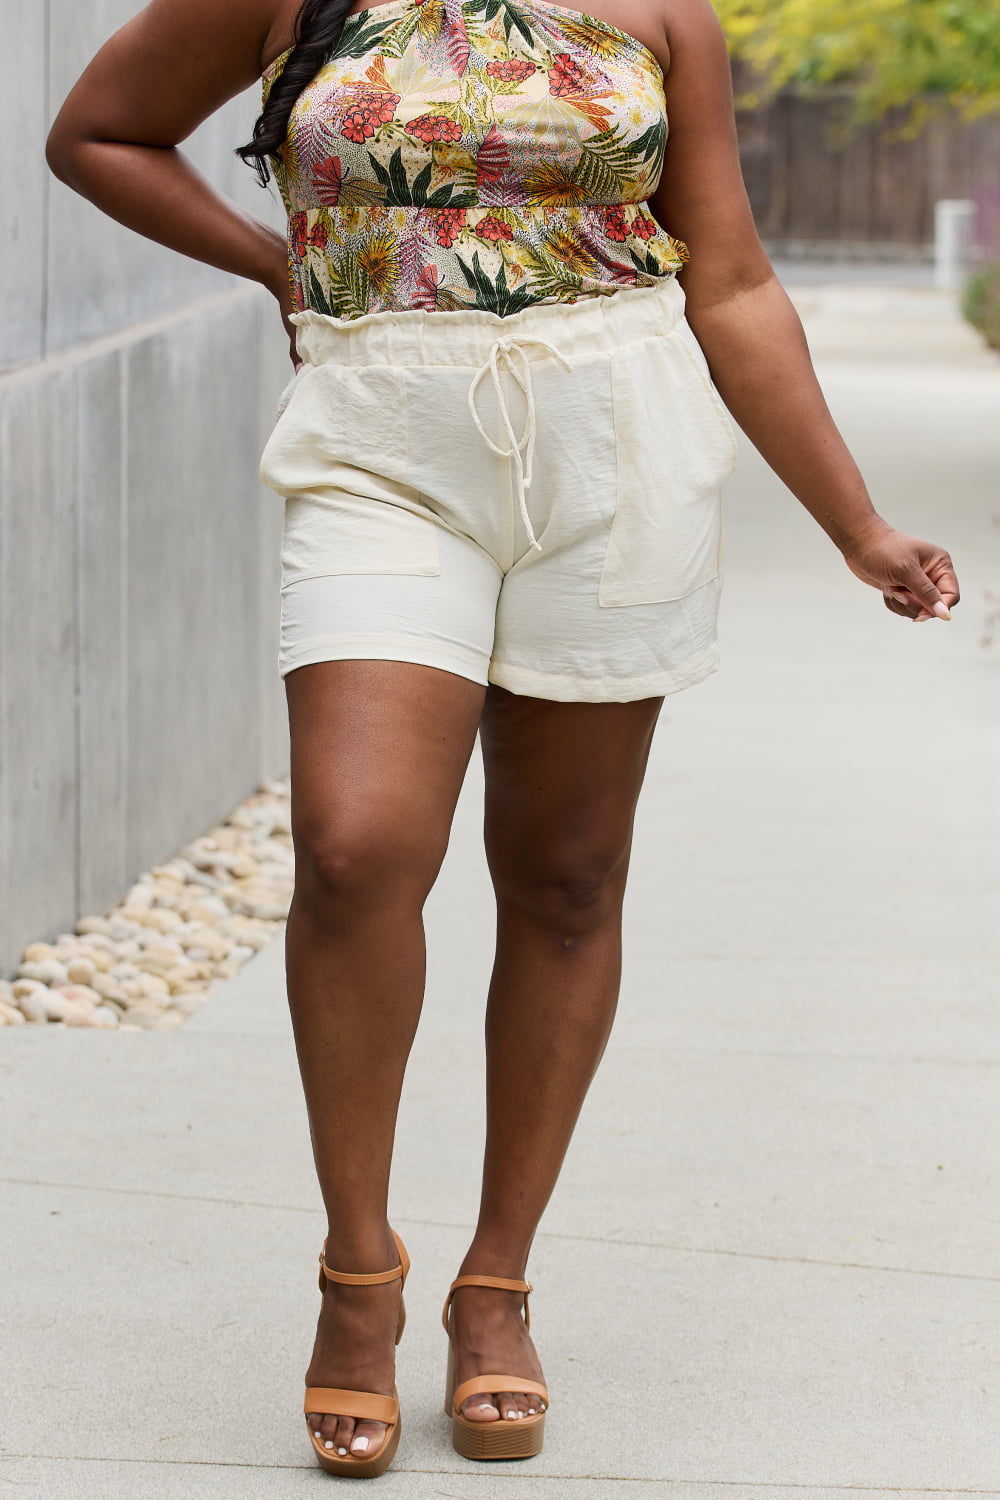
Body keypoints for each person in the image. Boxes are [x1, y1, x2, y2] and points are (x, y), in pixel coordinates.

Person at [46, 0, 960, 1479]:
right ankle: (360, 1279)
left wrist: (854, 523)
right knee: (354, 849)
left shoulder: (665, 12)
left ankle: (497, 1286)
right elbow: (95, 133)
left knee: (568, 875)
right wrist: (279, 261)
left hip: (620, 433)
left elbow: (724, 277)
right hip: (380, 436)